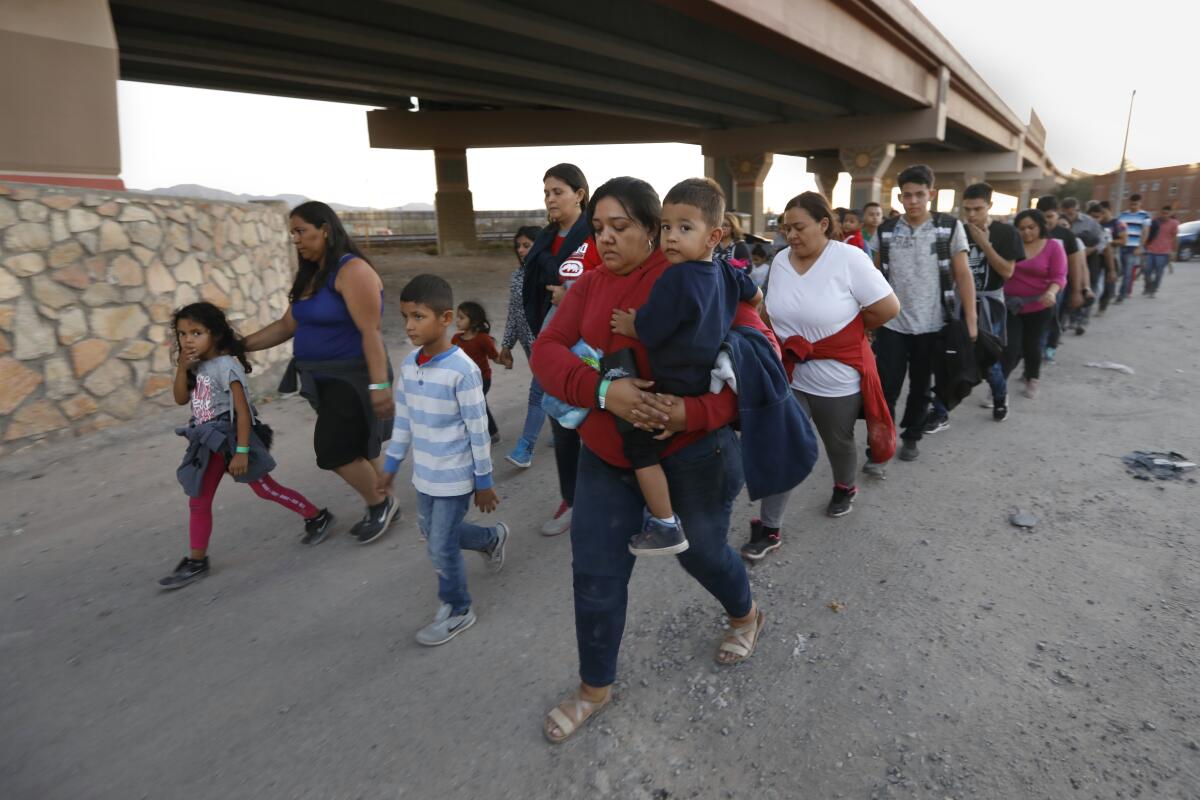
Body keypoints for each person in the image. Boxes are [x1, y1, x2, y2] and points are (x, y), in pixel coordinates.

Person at [532, 176, 770, 743]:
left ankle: (745, 615)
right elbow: (546, 351)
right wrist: (603, 393)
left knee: (704, 555)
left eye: (621, 228)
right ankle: (595, 688)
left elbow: (762, 357)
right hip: (607, 457)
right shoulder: (589, 286)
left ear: (653, 227)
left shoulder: (698, 276)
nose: (606, 240)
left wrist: (693, 415)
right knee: (595, 574)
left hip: (693, 456)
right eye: (598, 229)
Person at [608, 177, 761, 556]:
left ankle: (663, 522)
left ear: (713, 236)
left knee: (638, 444)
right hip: (703, 379)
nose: (671, 237)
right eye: (666, 227)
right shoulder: (725, 270)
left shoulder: (674, 278)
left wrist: (631, 324)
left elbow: (654, 328)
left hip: (673, 383)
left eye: (684, 228)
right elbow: (755, 294)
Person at [744, 192, 899, 558]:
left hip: (837, 379)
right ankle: (769, 528)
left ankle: (845, 486)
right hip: (792, 375)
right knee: (782, 447)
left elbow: (887, 307)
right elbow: (769, 311)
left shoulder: (849, 258)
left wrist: (844, 338)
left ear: (823, 224)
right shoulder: (780, 260)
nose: (791, 235)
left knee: (839, 443)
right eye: (786, 228)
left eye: (798, 227)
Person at [244, 201, 397, 546]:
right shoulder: (312, 275)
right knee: (356, 444)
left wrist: (379, 385)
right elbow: (287, 324)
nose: (295, 239)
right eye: (292, 233)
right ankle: (385, 499)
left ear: (325, 229)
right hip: (320, 378)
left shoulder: (352, 270)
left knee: (332, 451)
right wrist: (239, 346)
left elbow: (370, 332)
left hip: (352, 376)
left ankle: (380, 503)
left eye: (301, 231)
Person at [378, 274, 508, 647]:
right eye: (405, 316)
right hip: (425, 476)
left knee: (439, 544)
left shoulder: (462, 370)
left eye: (418, 316)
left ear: (446, 318)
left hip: (455, 477)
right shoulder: (409, 366)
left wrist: (483, 481)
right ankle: (490, 538)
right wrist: (390, 467)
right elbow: (403, 421)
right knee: (434, 533)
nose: (408, 325)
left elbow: (478, 431)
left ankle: (457, 609)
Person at [160, 303, 325, 589]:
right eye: (182, 334)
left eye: (196, 332)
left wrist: (242, 452)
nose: (188, 339)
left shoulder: (227, 366)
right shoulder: (195, 365)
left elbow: (243, 412)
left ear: (216, 334)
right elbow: (179, 399)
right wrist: (182, 368)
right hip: (205, 441)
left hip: (232, 439)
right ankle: (197, 560)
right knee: (198, 499)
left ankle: (316, 516)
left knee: (265, 488)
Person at [512, 164, 602, 536]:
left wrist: (572, 295)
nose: (550, 198)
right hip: (552, 336)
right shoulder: (545, 239)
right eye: (546, 191)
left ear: (580, 194)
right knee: (560, 420)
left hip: (592, 341)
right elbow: (528, 282)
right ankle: (572, 497)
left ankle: (615, 497)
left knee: (595, 422)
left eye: (558, 191)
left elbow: (610, 279)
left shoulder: (596, 234)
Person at [872, 164, 976, 468]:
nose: (913, 201)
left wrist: (971, 321)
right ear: (900, 197)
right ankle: (881, 442)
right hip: (892, 325)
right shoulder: (887, 231)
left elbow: (963, 274)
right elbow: (875, 277)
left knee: (921, 386)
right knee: (886, 387)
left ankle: (912, 435)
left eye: (919, 194)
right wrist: (868, 321)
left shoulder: (949, 228)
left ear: (930, 194)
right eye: (907, 195)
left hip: (933, 326)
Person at [924, 182, 1021, 429]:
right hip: (957, 302)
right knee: (949, 357)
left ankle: (1000, 397)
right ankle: (941, 411)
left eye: (978, 209)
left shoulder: (1006, 233)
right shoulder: (956, 231)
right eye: (967, 209)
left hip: (990, 304)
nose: (971, 215)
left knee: (988, 358)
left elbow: (1008, 271)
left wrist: (985, 244)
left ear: (990, 205)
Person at [497, 226, 547, 463]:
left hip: (547, 345)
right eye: (518, 246)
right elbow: (514, 313)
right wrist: (506, 345)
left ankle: (525, 448)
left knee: (537, 395)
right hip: (530, 346)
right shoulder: (517, 276)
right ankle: (569, 431)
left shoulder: (548, 274)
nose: (521, 250)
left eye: (527, 245)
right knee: (553, 391)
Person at [1005, 210, 1067, 399]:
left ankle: (1032, 377)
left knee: (1032, 345)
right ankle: (998, 386)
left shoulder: (1053, 247)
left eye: (1031, 227)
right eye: (1022, 228)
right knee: (1010, 347)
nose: (1026, 232)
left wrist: (1051, 292)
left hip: (1039, 306)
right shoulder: (1010, 246)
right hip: (1011, 306)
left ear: (1041, 227)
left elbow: (1059, 276)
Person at [1035, 196, 1085, 363]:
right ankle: (1033, 354)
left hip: (1058, 288)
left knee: (1053, 319)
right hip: (1033, 287)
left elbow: (1075, 265)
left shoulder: (1066, 236)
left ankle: (1049, 347)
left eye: (1050, 216)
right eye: (1042, 217)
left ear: (1058, 215)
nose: (1046, 221)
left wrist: (1077, 291)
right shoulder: (1030, 232)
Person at [452, 301, 500, 443]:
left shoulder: (483, 339)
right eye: (457, 317)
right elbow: (451, 359)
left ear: (474, 321)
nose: (457, 320)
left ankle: (489, 433)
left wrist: (505, 360)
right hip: (464, 380)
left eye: (461, 317)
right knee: (475, 405)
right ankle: (490, 433)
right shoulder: (455, 339)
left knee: (476, 404)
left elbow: (495, 357)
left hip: (482, 379)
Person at [1061, 197, 1104, 334]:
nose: (1069, 216)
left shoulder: (1089, 222)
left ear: (1077, 209)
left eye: (1071, 213)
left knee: (1087, 289)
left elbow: (1102, 240)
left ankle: (1082, 321)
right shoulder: (1060, 222)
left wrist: (1090, 250)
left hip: (1090, 259)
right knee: (1070, 289)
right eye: (1066, 213)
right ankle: (1068, 319)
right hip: (1067, 261)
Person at [1116, 193, 1153, 301]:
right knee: (1122, 271)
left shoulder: (1145, 216)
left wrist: (1140, 247)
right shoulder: (1123, 215)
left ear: (1140, 203)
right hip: (1122, 246)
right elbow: (1118, 229)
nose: (1133, 206)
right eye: (1131, 204)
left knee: (1128, 271)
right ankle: (1125, 290)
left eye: (1135, 204)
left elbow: (1145, 232)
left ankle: (1121, 294)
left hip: (1133, 248)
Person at [1092, 201, 1124, 314]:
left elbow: (1123, 240)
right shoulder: (1094, 223)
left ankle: (1103, 304)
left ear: (1109, 210)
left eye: (1103, 213)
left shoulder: (1117, 223)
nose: (1102, 216)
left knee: (1108, 281)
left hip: (1110, 255)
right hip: (1096, 256)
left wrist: (1108, 242)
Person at [1142, 206, 1179, 297]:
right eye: (1163, 213)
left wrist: (1174, 252)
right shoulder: (1155, 221)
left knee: (1159, 272)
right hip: (1151, 250)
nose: (1164, 215)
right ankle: (1148, 286)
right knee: (1147, 271)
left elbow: (1175, 238)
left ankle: (1153, 290)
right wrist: (1145, 245)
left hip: (1164, 252)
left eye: (1167, 213)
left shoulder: (1174, 223)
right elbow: (1147, 233)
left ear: (1170, 214)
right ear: (1160, 212)